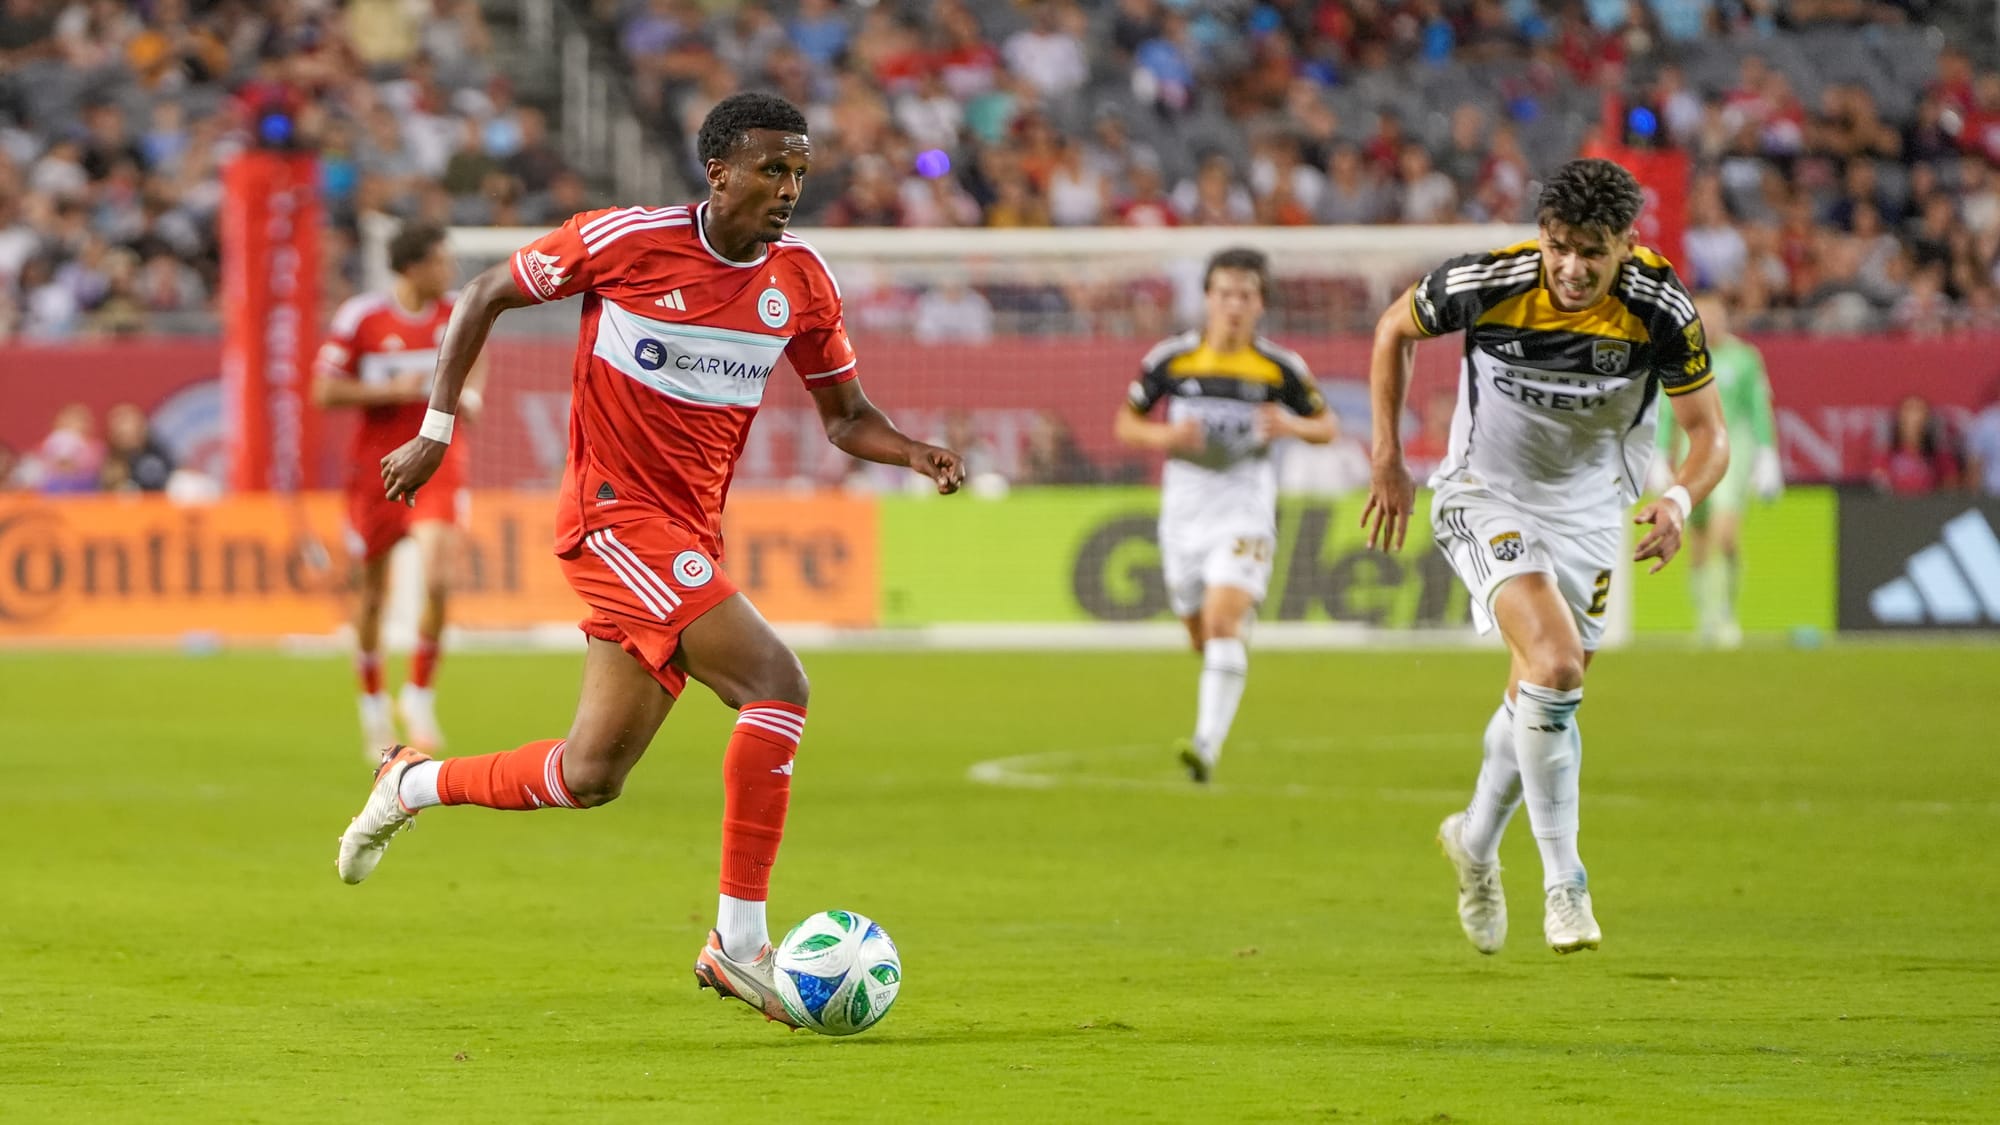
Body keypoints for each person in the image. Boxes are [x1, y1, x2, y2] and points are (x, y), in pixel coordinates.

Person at [336, 93, 965, 1028]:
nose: (789, 188)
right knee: (777, 685)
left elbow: (844, 417)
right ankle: (739, 942)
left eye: (799, 171)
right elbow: (484, 294)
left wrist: (912, 449)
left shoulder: (801, 280)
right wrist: (433, 430)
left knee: (591, 773)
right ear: (718, 170)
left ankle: (410, 781)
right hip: (611, 520)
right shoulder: (626, 240)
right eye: (771, 169)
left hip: (688, 535)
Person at [1362, 159, 1729, 955]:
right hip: (1482, 493)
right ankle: (1564, 882)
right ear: (1542, 236)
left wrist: (1679, 500)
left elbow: (1711, 434)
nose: (1571, 267)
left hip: (1593, 513)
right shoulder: (1487, 282)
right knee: (1557, 666)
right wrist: (1388, 455)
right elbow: (1394, 328)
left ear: (1627, 244)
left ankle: (1475, 841)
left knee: (1541, 692)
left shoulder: (1659, 308)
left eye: (1592, 251)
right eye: (1559, 246)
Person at [1114, 247, 1336, 783]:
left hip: (1245, 506)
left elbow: (1325, 425)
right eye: (1224, 293)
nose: (1234, 305)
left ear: (1260, 304)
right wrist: (1166, 435)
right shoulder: (1172, 360)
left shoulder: (1280, 368)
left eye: (1246, 295)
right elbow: (1126, 423)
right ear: (1208, 298)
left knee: (1221, 622)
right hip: (1184, 511)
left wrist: (1290, 425)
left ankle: (1205, 749)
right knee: (1199, 632)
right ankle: (1223, 659)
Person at [312, 222, 483, 760]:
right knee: (370, 595)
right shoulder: (362, 318)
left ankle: (420, 696)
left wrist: (471, 396)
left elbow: (476, 365)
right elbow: (323, 389)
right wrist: (387, 389)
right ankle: (371, 706)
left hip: (436, 464)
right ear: (412, 268)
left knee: (437, 575)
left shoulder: (458, 311)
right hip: (376, 472)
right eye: (440, 260)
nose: (450, 270)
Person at [1655, 293, 1780, 648]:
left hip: (1732, 450)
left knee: (1725, 535)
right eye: (1702, 316)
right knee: (1695, 540)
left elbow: (1758, 407)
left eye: (1715, 316)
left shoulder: (1744, 358)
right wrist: (1660, 455)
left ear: (1726, 319)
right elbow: (1668, 410)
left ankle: (1726, 614)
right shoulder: (1683, 356)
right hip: (1690, 450)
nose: (1708, 323)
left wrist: (1767, 453)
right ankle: (1704, 619)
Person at [1869, 395, 1960, 495]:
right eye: (1909, 410)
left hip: (1929, 504)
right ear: (1899, 416)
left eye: (1919, 410)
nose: (1914, 417)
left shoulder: (1938, 454)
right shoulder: (1886, 453)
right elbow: (1879, 483)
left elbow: (1951, 483)